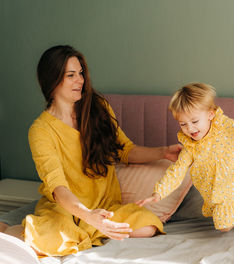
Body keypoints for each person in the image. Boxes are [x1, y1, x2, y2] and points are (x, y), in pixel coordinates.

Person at [12, 45, 182, 257]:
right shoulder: (41, 130)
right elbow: (57, 187)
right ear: (52, 79)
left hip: (106, 206)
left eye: (81, 73)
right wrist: (88, 215)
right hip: (66, 209)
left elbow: (126, 150)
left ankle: (88, 230)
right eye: (71, 75)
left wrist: (163, 152)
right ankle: (8, 231)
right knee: (46, 238)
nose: (80, 80)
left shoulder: (98, 108)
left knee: (148, 227)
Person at [136, 83, 234, 232]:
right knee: (224, 227)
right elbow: (176, 172)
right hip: (229, 187)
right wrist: (158, 193)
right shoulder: (190, 148)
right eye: (183, 124)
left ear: (210, 114)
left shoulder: (224, 125)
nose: (190, 128)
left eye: (194, 121)